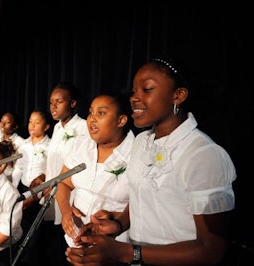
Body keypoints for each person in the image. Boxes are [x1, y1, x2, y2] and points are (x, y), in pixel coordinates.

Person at [65, 57, 237, 266]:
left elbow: (211, 251)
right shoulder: (141, 141)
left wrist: (126, 253)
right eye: (134, 91)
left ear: (178, 96)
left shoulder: (203, 155)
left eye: (146, 89)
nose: (134, 98)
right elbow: (140, 199)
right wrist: (118, 224)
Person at [56, 93, 135, 248]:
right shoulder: (82, 145)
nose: (92, 118)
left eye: (101, 113)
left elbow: (143, 204)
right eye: (91, 112)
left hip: (115, 246)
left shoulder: (136, 152)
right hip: (75, 239)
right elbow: (63, 183)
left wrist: (115, 217)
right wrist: (66, 212)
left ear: (121, 120)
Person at [41, 81, 89, 266]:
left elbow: (79, 164)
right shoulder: (57, 127)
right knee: (53, 245)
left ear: (73, 103)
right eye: (51, 102)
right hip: (52, 192)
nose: (53, 106)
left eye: (59, 102)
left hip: (70, 193)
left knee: (70, 244)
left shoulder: (84, 127)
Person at [11, 109, 51, 266]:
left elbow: (50, 171)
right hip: (22, 189)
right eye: (30, 121)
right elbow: (18, 169)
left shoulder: (50, 145)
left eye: (37, 122)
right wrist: (14, 191)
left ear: (46, 126)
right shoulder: (24, 145)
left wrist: (36, 195)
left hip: (39, 194)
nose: (32, 125)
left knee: (34, 234)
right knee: (19, 229)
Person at [0, 111, 25, 182]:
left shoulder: (21, 143)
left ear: (15, 126)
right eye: (1, 121)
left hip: (10, 179)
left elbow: (19, 166)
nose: (2, 124)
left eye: (7, 122)